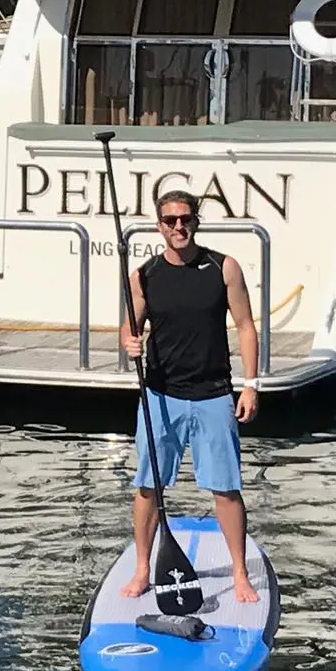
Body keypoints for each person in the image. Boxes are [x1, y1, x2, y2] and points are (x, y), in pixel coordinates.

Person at [120, 190, 261, 604]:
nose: (178, 227)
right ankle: (144, 568)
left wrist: (251, 383)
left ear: (195, 221)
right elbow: (128, 329)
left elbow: (246, 326)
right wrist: (129, 343)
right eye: (170, 221)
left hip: (213, 394)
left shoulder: (223, 267)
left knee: (226, 488)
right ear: (159, 225)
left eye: (186, 219)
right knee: (149, 486)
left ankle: (239, 572)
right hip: (161, 397)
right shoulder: (143, 275)